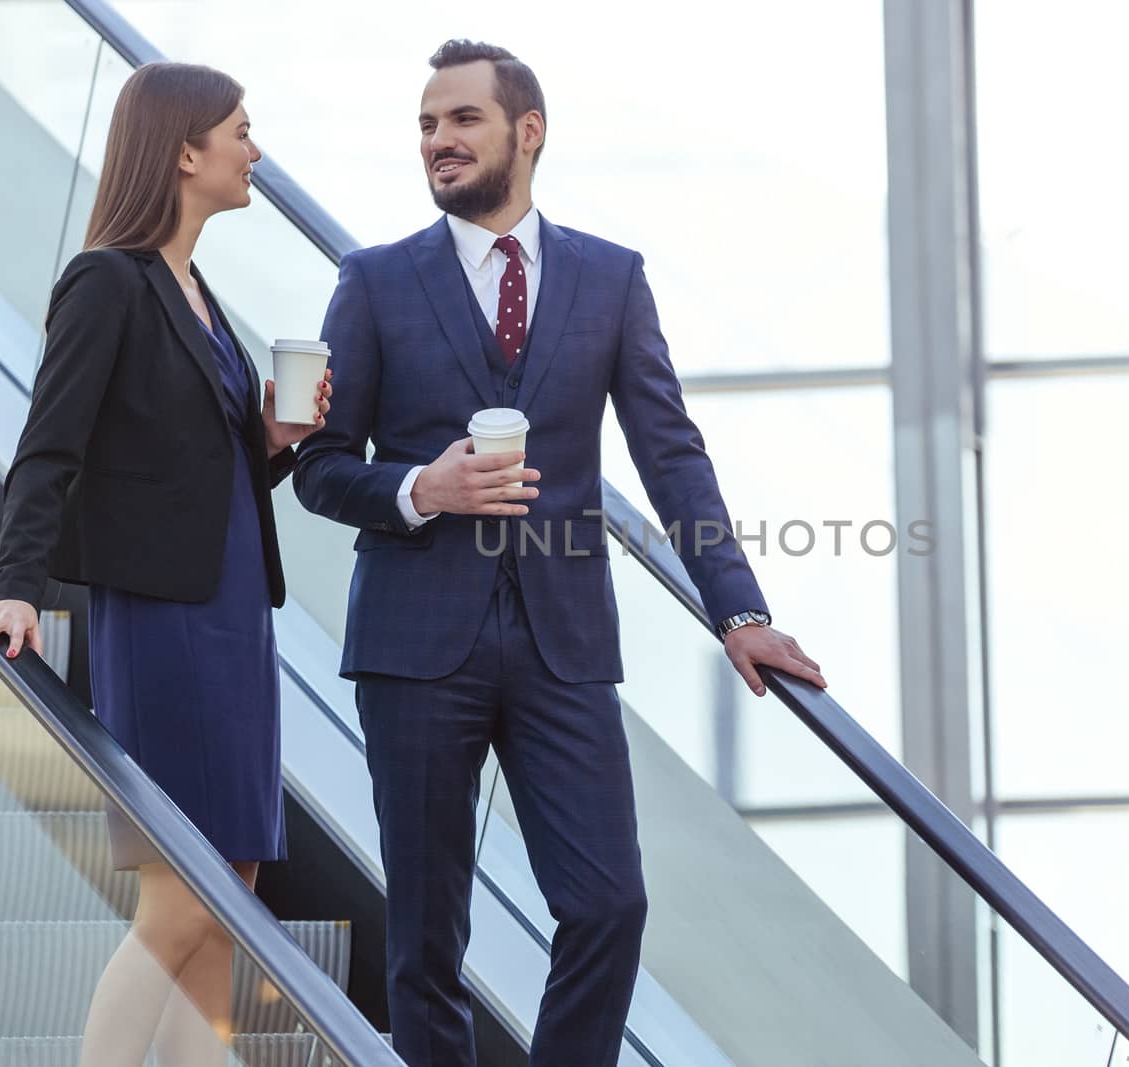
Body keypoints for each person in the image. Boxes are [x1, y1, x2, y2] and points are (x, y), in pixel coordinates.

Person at [293, 39, 826, 1067]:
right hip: (414, 644)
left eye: (461, 120)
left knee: (608, 903)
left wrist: (740, 611)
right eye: (425, 125)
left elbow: (672, 457)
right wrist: (419, 487)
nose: (438, 142)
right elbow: (319, 466)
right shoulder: (373, 281)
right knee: (425, 936)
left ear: (526, 133)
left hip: (563, 644)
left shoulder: (609, 279)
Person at [0, 61, 332, 1066]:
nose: (256, 152)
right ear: (183, 149)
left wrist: (277, 437)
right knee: (179, 898)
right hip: (168, 618)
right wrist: (17, 587)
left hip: (234, 612)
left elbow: (198, 468)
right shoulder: (107, 278)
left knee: (232, 889)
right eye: (241, 132)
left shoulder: (195, 287)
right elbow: (50, 445)